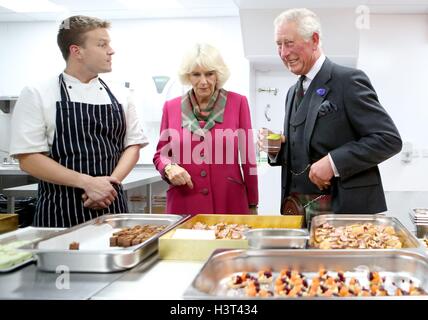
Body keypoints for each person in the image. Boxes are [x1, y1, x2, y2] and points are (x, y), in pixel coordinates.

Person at [258, 8, 402, 225]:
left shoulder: (348, 81)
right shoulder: (291, 92)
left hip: (345, 213)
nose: (283, 53)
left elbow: (388, 139)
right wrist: (277, 149)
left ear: (314, 40)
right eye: (279, 44)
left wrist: (334, 162)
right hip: (300, 213)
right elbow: (303, 150)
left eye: (289, 43)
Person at [9, 15, 148, 227]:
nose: (111, 50)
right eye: (102, 44)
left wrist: (107, 186)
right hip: (59, 213)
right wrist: (88, 183)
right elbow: (28, 157)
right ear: (77, 51)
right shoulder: (38, 92)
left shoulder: (121, 93)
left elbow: (133, 145)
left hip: (112, 205)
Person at [153, 43, 258, 215]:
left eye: (209, 74)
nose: (203, 81)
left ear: (218, 75)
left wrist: (253, 203)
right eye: (196, 74)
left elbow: (248, 157)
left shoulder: (238, 103)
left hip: (229, 201)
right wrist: (169, 167)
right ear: (188, 76)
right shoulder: (171, 107)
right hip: (184, 201)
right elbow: (161, 155)